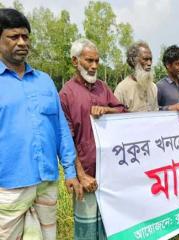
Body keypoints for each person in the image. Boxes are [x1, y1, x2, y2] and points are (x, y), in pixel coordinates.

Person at [0, 9, 82, 240]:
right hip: (8, 185)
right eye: (13, 37)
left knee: (47, 236)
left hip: (46, 180)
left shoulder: (44, 81)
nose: (22, 42)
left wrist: (70, 171)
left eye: (25, 37)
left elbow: (60, 130)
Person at [59, 38, 125, 240]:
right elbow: (65, 140)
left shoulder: (103, 87)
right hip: (86, 174)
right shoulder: (65, 94)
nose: (94, 66)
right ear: (75, 61)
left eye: (97, 61)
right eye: (89, 60)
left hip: (110, 173)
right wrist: (81, 175)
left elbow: (123, 112)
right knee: (87, 231)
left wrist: (106, 109)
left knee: (111, 227)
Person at [114, 41, 158, 112]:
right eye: (145, 59)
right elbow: (115, 117)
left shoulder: (153, 87)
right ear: (133, 61)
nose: (149, 63)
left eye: (150, 59)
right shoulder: (122, 89)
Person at [157, 45, 179, 112]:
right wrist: (169, 108)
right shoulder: (160, 86)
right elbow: (152, 110)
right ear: (168, 65)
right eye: (178, 64)